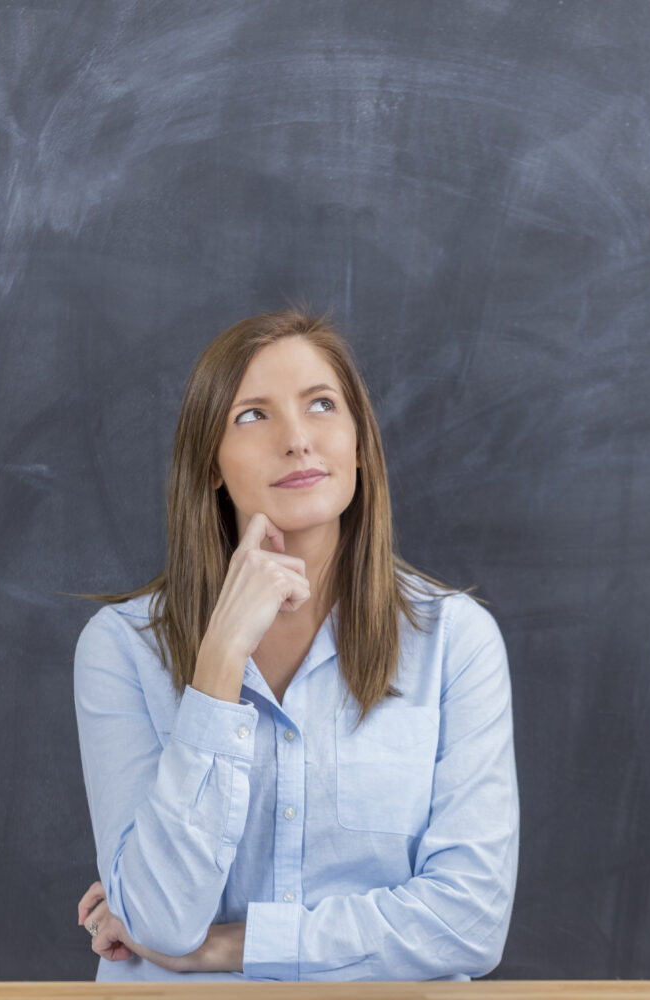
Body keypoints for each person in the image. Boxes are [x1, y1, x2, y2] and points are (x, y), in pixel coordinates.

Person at [71, 310, 518, 981]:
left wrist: (229, 946)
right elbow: (159, 919)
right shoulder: (123, 648)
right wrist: (219, 662)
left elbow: (469, 922)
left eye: (321, 405)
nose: (298, 440)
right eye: (253, 415)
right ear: (211, 466)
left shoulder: (455, 642)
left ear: (360, 446)